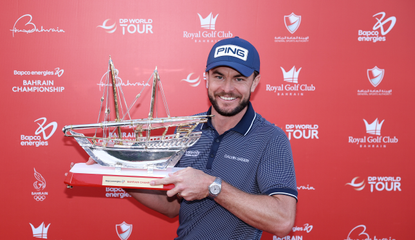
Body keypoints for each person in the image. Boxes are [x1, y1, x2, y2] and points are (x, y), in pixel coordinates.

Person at [88, 36, 297, 239]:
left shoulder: (271, 138)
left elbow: (282, 221)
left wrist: (211, 187)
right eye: (218, 76)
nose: (226, 88)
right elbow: (171, 206)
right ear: (206, 78)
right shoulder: (187, 129)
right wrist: (117, 167)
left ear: (254, 82)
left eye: (239, 79)